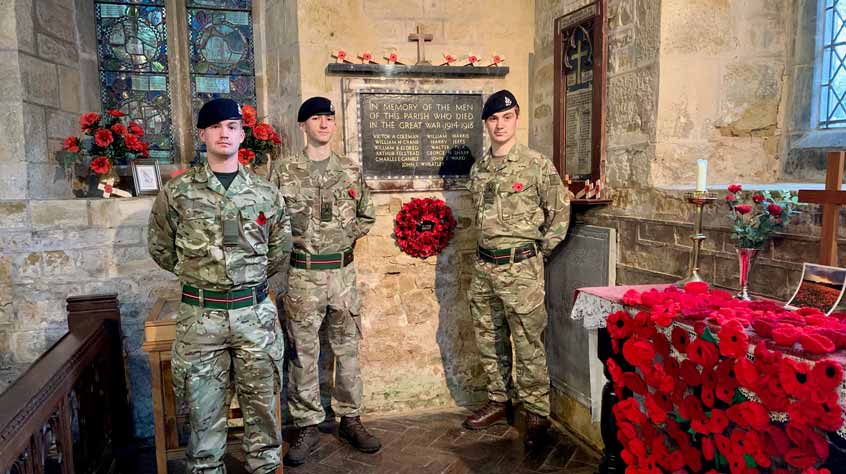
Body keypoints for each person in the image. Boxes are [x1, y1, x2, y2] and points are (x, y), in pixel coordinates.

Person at [148, 98, 292, 473]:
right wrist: (200, 278)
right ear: (202, 135)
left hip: (253, 316)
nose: (224, 133)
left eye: (232, 126)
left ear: (243, 135)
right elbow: (160, 246)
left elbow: (279, 249)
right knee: (202, 414)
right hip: (201, 319)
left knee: (263, 411)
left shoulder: (265, 193)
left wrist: (247, 282)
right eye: (215, 127)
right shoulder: (177, 193)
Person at [270, 97, 380, 466]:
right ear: (303, 125)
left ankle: (350, 417)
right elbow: (272, 222)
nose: (324, 124)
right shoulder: (285, 171)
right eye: (316, 118)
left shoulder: (349, 169)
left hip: (343, 275)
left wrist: (346, 237)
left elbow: (367, 214)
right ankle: (307, 425)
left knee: (347, 349)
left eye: (329, 119)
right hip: (302, 274)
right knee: (303, 353)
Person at [464, 90, 571, 447]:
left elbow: (560, 212)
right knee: (489, 338)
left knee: (527, 342)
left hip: (521, 268)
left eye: (506, 117)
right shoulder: (479, 168)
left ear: (516, 119)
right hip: (484, 268)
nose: (499, 125)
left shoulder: (536, 165)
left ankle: (536, 412)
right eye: (493, 119)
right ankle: (499, 400)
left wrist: (537, 254)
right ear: (486, 124)